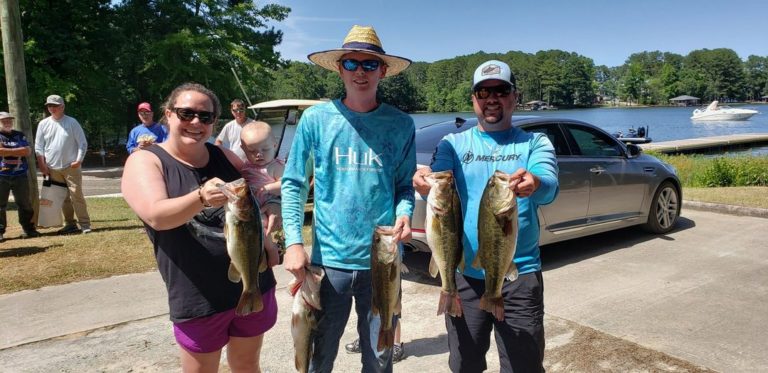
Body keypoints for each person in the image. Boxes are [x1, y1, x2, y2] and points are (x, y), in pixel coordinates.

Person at [281, 25, 416, 373]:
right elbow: (294, 184)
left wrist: (405, 213)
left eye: (369, 64)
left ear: (382, 71)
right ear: (339, 68)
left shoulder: (401, 124)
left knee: (380, 356)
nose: (360, 71)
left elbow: (403, 186)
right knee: (318, 358)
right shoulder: (315, 120)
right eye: (352, 63)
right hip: (328, 265)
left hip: (382, 264)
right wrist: (294, 242)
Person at [412, 60, 559, 372]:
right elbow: (438, 179)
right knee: (464, 363)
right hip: (464, 273)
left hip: (519, 275)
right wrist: (424, 178)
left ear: (514, 97)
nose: (492, 98)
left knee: (524, 366)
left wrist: (535, 183)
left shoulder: (536, 142)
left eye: (501, 90)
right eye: (483, 92)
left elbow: (549, 188)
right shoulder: (453, 142)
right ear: (473, 100)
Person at [121, 83, 279, 372]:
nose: (195, 122)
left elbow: (255, 196)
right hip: (198, 296)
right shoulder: (147, 161)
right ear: (168, 114)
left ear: (214, 124)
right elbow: (157, 216)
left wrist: (268, 223)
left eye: (205, 117)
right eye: (186, 114)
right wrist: (200, 197)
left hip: (253, 283)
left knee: (247, 363)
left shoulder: (227, 158)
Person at [34, 94, 91, 235]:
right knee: (62, 197)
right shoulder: (43, 124)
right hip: (52, 168)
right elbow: (38, 146)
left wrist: (79, 160)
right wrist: (42, 164)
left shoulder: (72, 122)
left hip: (71, 167)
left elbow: (82, 143)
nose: (51, 108)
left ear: (62, 107)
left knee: (76, 195)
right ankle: (70, 224)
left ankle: (85, 224)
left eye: (54, 105)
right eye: (49, 106)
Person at [239, 121, 283, 266]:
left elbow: (286, 185)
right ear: (243, 150)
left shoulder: (275, 166)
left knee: (262, 223)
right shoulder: (245, 167)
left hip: (269, 202)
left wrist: (269, 187)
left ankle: (271, 250)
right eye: (252, 151)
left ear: (275, 145)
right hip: (253, 205)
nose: (259, 154)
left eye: (265, 149)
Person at [0, 111, 41, 242]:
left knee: (25, 204)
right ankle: (0, 232)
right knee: (0, 205)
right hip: (1, 175)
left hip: (20, 175)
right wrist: (18, 151)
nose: (7, 122)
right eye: (4, 121)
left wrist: (6, 152)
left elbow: (28, 151)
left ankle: (29, 229)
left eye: (9, 120)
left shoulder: (19, 135)